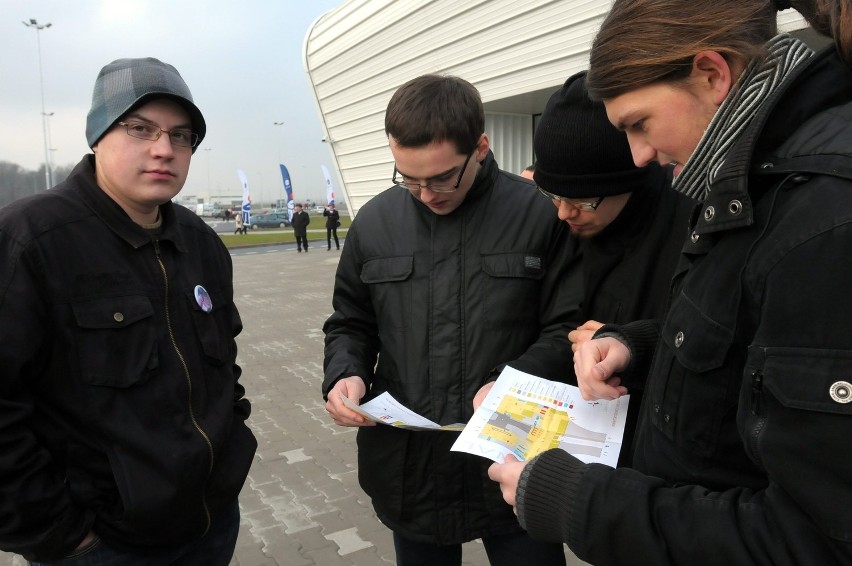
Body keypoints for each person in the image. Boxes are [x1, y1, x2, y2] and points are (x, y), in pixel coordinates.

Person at [487, 0, 852, 564]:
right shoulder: (750, 181)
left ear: (711, 74)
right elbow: (743, 340)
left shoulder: (822, 213)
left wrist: (578, 503)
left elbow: (813, 538)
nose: (640, 156)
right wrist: (637, 344)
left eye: (638, 124)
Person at [0, 58, 257, 564]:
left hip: (210, 522)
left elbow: (223, 364)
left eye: (181, 136)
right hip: (103, 544)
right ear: (98, 135)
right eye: (140, 128)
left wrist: (231, 448)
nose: (164, 149)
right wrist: (60, 534)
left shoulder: (201, 242)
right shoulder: (30, 241)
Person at [322, 74, 583, 566]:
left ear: (480, 147)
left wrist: (513, 382)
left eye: (442, 177)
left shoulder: (540, 213)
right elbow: (350, 322)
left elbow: (568, 327)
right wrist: (345, 374)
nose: (426, 194)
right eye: (409, 178)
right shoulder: (375, 223)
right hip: (410, 469)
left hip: (512, 461)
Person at [530, 70, 695, 466]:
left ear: (632, 178)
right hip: (573, 446)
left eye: (582, 201)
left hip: (657, 458)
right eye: (552, 194)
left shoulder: (693, 224)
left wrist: (627, 347)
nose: (563, 213)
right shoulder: (564, 227)